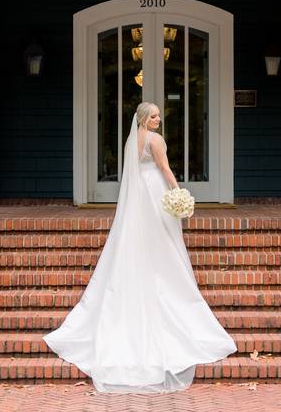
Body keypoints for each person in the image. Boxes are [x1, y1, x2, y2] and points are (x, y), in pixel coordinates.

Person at [43, 101, 236, 392]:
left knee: (142, 238)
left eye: (159, 115)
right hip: (155, 191)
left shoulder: (133, 141)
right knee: (162, 240)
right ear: (144, 119)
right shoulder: (155, 140)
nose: (159, 119)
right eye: (155, 115)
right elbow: (164, 167)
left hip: (139, 195)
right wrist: (179, 192)